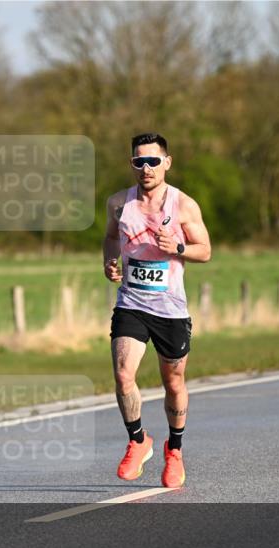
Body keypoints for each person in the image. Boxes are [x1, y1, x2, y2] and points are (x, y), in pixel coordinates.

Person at [103, 132, 212, 488]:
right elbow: (110, 237)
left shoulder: (183, 206)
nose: (146, 168)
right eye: (139, 161)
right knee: (123, 374)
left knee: (173, 381)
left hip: (171, 310)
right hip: (131, 303)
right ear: (132, 164)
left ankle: (174, 451)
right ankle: (137, 440)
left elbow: (205, 250)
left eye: (153, 161)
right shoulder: (119, 204)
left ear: (167, 162)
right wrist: (110, 261)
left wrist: (178, 246)